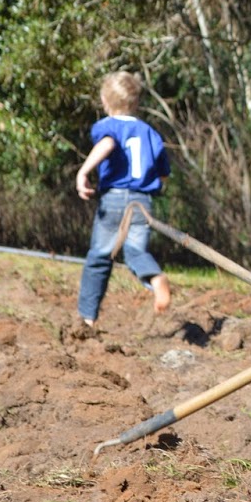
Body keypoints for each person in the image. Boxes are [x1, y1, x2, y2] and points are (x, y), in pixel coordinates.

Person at [75, 70, 171, 325]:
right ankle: (154, 278)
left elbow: (107, 145)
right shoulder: (150, 132)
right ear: (136, 102)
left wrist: (83, 172)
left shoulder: (108, 126)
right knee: (135, 251)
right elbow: (163, 175)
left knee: (99, 257)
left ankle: (87, 319)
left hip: (115, 198)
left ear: (105, 101)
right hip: (142, 201)